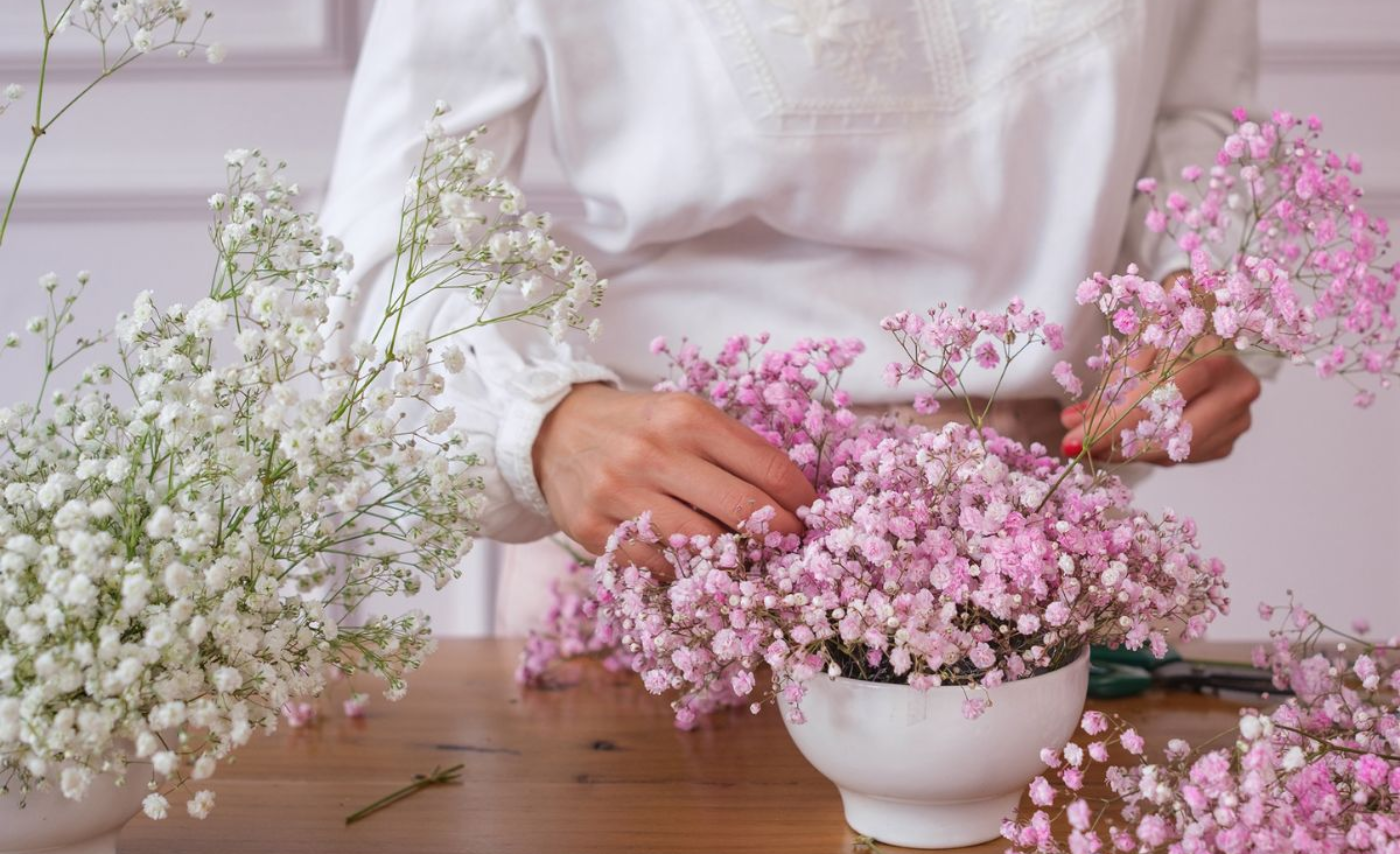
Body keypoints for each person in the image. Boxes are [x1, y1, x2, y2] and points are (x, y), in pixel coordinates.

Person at [321, 0, 1263, 634]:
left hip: (1030, 560)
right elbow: (387, 223)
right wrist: (542, 425)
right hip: (664, 543)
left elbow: (1196, 111)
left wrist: (1196, 289)